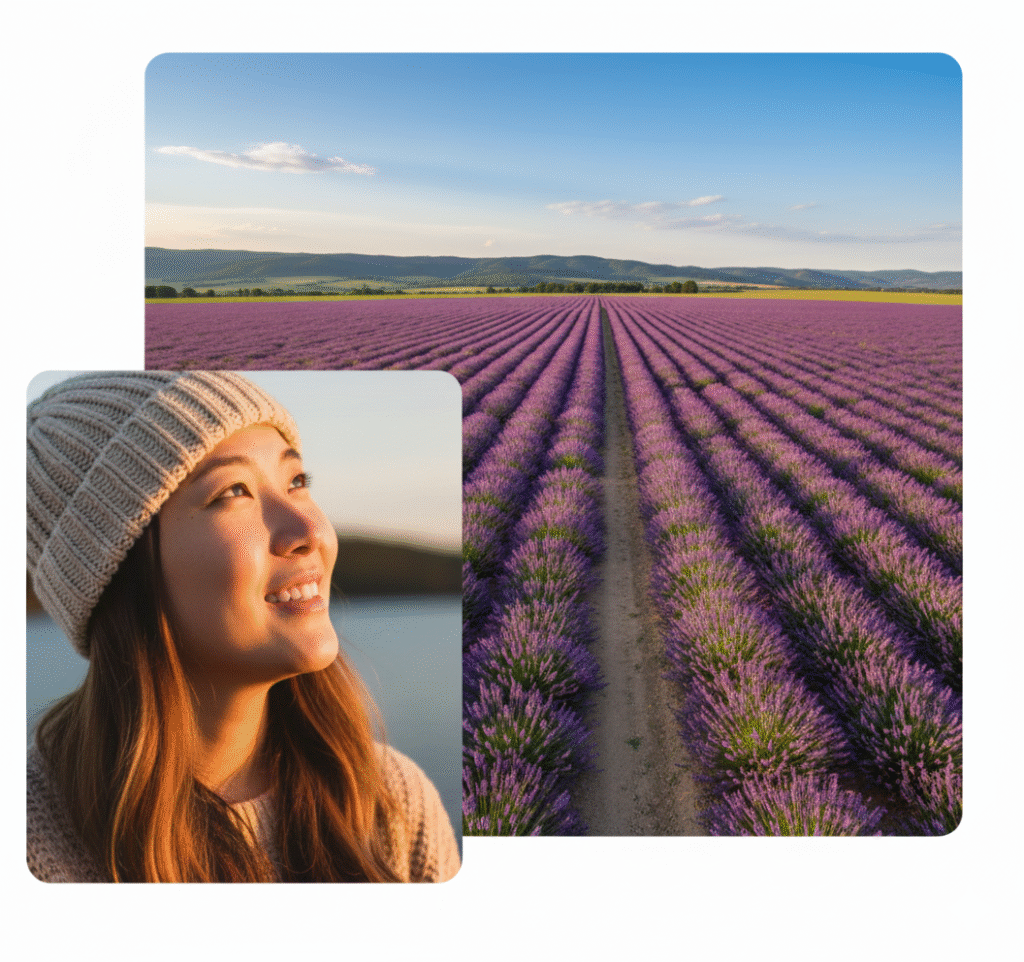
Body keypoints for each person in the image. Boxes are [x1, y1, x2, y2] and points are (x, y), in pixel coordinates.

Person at [26, 371, 460, 882]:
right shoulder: (36, 843)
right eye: (234, 491)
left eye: (297, 481)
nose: (309, 531)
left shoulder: (390, 801)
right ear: (118, 573)